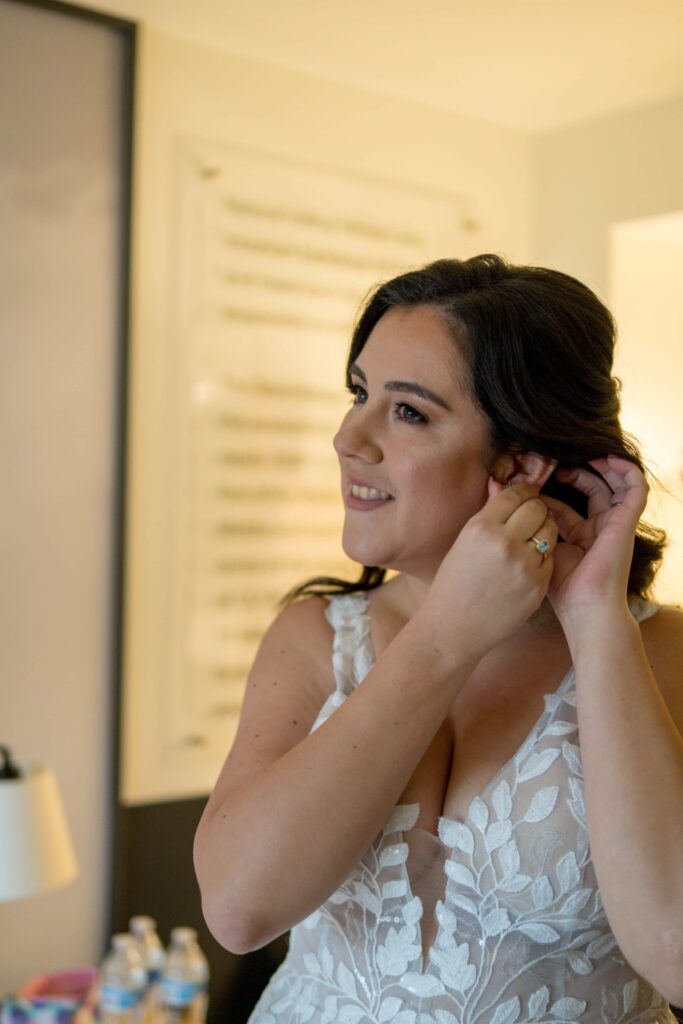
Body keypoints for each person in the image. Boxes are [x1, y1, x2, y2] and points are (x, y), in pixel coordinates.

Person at [194, 254, 683, 1023]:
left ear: (520, 463)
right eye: (359, 393)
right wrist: (445, 634)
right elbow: (237, 910)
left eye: (408, 411)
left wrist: (595, 622)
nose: (348, 437)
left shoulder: (663, 654)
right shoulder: (313, 637)